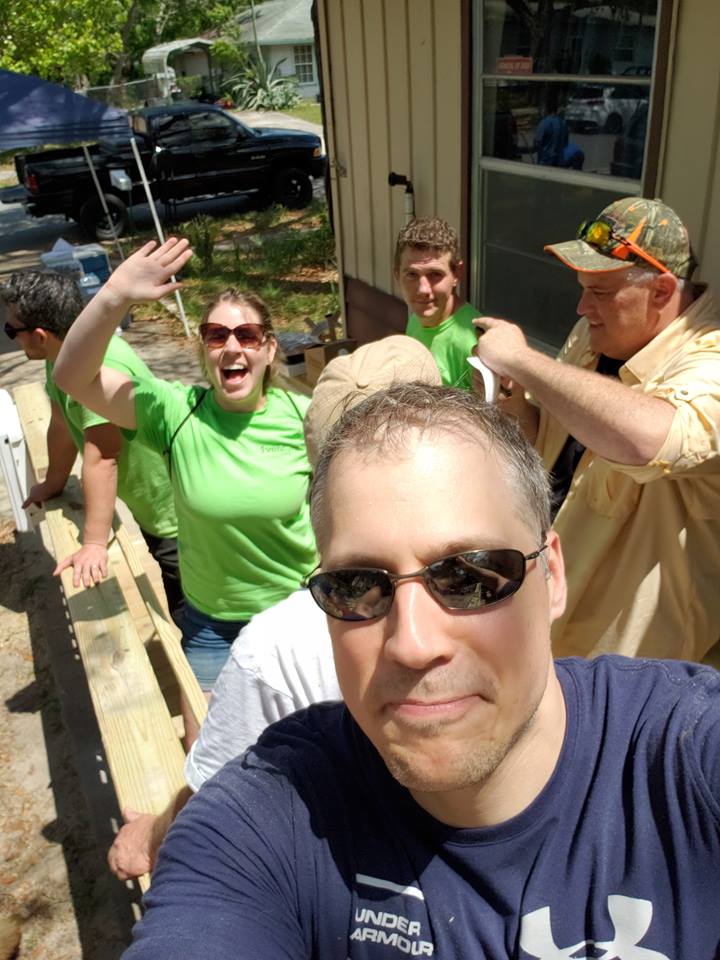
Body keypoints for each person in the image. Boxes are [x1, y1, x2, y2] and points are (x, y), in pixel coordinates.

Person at [122, 384, 720, 958]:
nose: (411, 644)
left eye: (468, 576)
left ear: (551, 576)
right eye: (358, 586)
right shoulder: (271, 817)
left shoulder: (686, 756)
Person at [107, 335, 442, 881]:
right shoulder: (512, 577)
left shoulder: (278, 646)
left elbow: (213, 792)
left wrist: (150, 835)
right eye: (216, 335)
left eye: (244, 335)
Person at [53, 239, 317, 709]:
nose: (231, 346)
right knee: (205, 760)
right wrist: (114, 295)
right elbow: (72, 376)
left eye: (247, 335)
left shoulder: (306, 417)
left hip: (296, 617)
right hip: (211, 625)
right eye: (217, 335)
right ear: (203, 348)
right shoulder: (174, 412)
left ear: (269, 348)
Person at [472, 196, 720, 662]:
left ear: (662, 292)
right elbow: (556, 454)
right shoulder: (597, 334)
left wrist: (523, 360)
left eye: (601, 293)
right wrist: (516, 401)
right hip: (549, 629)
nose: (583, 307)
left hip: (634, 679)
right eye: (583, 288)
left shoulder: (710, 360)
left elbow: (651, 440)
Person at [1, 272, 181, 609]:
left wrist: (95, 542)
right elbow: (60, 424)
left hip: (174, 512)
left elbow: (103, 457)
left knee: (192, 607)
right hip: (152, 505)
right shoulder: (65, 356)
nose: (11, 337)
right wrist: (53, 483)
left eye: (12, 330)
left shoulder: (97, 368)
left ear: (40, 336)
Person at [397, 217, 479, 390]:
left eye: (435, 274)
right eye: (412, 274)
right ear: (397, 275)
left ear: (457, 273)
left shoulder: (473, 343)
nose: (423, 290)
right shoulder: (416, 319)